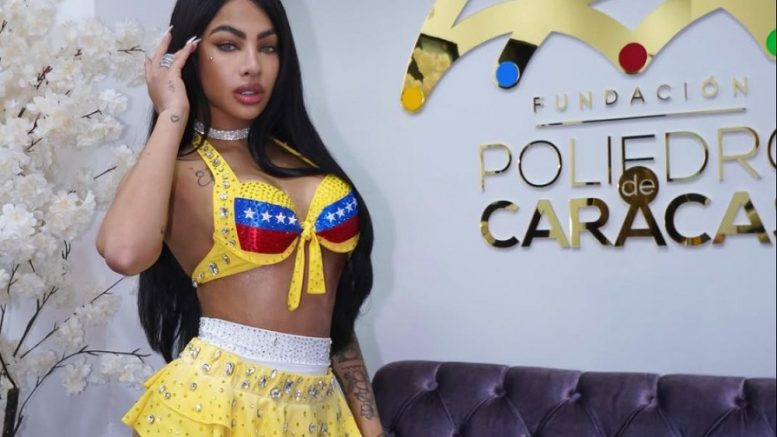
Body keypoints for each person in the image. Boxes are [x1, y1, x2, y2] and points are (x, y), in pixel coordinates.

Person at [96, 0, 383, 435]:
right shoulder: (180, 169)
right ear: (189, 55)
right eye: (228, 45)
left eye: (268, 48)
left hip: (318, 410)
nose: (253, 66)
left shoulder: (304, 161)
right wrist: (172, 111)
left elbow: (335, 315)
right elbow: (123, 252)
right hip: (214, 406)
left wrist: (371, 425)